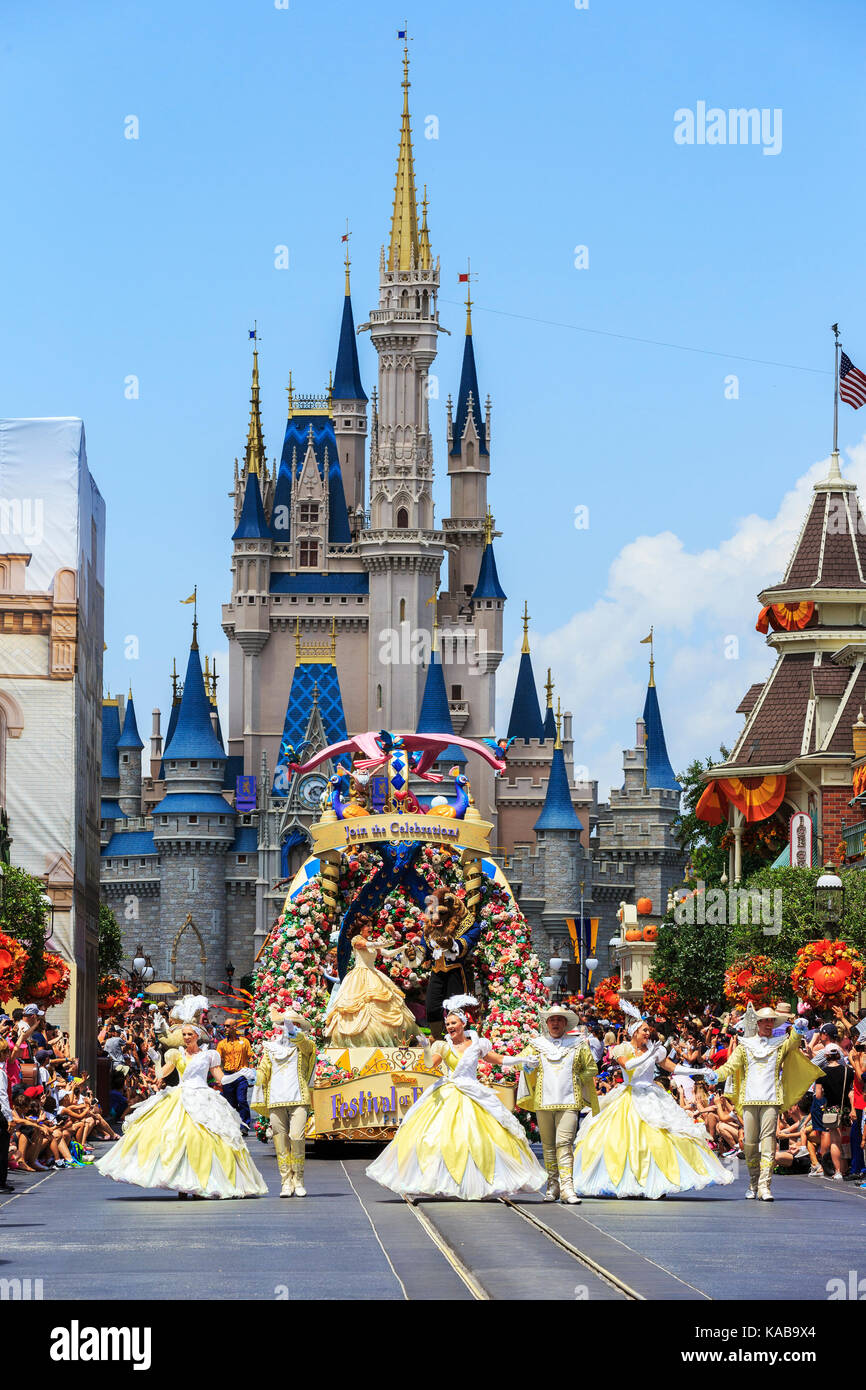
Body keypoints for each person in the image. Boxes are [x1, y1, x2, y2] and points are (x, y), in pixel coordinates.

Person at [366, 995, 547, 1200]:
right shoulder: (443, 1046)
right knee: (434, 1137)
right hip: (449, 1090)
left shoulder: (478, 1044)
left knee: (483, 1139)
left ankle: (480, 1181)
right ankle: (439, 1180)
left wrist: (522, 1059)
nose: (450, 1026)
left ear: (463, 1024)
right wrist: (426, 1048)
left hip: (473, 1092)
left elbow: (497, 1059)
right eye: (448, 1024)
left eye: (453, 1023)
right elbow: (429, 1065)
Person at [572, 1003, 734, 1200]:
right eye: (644, 1031)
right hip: (629, 1095)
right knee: (619, 1140)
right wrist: (650, 1054)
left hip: (650, 1094)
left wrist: (699, 1071)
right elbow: (628, 1065)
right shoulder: (623, 1048)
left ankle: (657, 1180)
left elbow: (674, 1068)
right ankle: (626, 1181)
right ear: (634, 1032)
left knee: (662, 1137)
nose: (648, 1034)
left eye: (648, 1031)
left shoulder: (654, 1049)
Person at [95, 1023, 268, 1199]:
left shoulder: (209, 1055)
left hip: (203, 1098)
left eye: (189, 1034)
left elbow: (222, 1079)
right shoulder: (176, 1054)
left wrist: (241, 1074)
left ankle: (202, 1183)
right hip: (180, 1096)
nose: (186, 1037)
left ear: (197, 1036)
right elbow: (161, 1074)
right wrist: (155, 1059)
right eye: (184, 1034)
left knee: (204, 1140)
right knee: (177, 1138)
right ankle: (182, 1184)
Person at [712, 1005, 824, 1201]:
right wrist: (715, 1074)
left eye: (771, 1021)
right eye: (765, 1021)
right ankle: (753, 1182)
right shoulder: (745, 1045)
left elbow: (792, 1044)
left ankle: (765, 1186)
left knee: (768, 1142)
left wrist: (798, 1031)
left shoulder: (780, 1044)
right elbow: (730, 1066)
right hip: (749, 1099)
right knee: (749, 1144)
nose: (768, 1024)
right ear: (757, 1023)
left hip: (772, 1100)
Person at [514, 1004, 599, 1204]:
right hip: (543, 1102)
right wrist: (528, 1063)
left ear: (565, 1023)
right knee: (549, 1146)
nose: (555, 1023)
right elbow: (520, 1063)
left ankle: (568, 1187)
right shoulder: (536, 1044)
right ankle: (553, 1186)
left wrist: (577, 1078)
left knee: (564, 1143)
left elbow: (591, 1068)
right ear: (547, 1023)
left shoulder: (578, 1044)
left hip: (570, 1100)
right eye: (552, 1020)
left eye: (559, 1020)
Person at [251, 1003, 316, 1197]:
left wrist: (292, 1031)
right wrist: (256, 1078)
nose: (288, 1027)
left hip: (298, 1098)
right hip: (276, 1099)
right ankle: (286, 1182)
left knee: (296, 1137)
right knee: (280, 1140)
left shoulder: (306, 1045)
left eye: (293, 1024)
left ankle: (299, 1179)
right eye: (285, 1024)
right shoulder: (271, 1048)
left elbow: (304, 1045)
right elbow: (264, 1069)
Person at [324, 919, 421, 1049]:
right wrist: (381, 944)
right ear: (360, 928)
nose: (370, 928)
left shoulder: (372, 942)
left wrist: (401, 948)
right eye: (367, 926)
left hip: (373, 974)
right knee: (359, 1006)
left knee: (386, 1004)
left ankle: (390, 1038)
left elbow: (387, 953)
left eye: (371, 925)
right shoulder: (356, 939)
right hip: (359, 975)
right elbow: (367, 945)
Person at [813, 1043, 854, 1182]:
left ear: (825, 1055)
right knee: (846, 1139)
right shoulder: (848, 1071)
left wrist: (824, 1091)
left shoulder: (822, 1073)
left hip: (831, 1109)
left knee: (835, 1141)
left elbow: (818, 1095)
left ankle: (838, 1171)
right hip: (847, 1109)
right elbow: (850, 1090)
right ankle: (847, 1168)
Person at [216, 1022, 254, 1133]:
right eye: (224, 1026)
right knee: (230, 1102)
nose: (225, 1028)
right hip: (228, 1075)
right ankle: (233, 1124)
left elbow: (250, 1057)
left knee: (241, 1100)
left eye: (228, 1026)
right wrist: (219, 1078)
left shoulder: (244, 1042)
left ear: (234, 1027)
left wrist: (251, 1074)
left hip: (241, 1075)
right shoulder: (222, 1044)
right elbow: (217, 1062)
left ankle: (245, 1125)